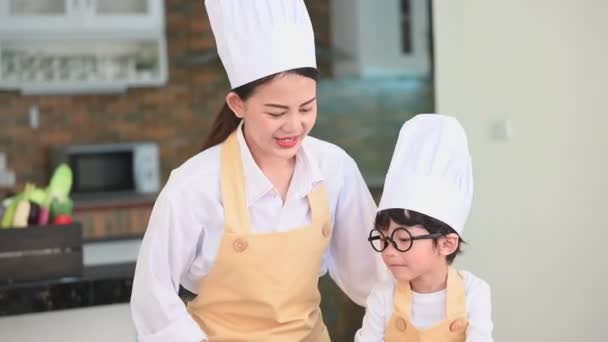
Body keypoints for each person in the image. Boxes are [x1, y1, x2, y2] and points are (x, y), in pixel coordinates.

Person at [130, 1, 383, 341]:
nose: (294, 125)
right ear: (238, 105)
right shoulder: (196, 185)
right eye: (277, 112)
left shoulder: (334, 169)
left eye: (306, 107)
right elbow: (153, 299)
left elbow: (374, 276)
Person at [355, 114, 494, 341]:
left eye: (403, 239)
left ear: (446, 243)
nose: (388, 251)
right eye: (383, 239)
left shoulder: (473, 292)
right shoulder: (383, 295)